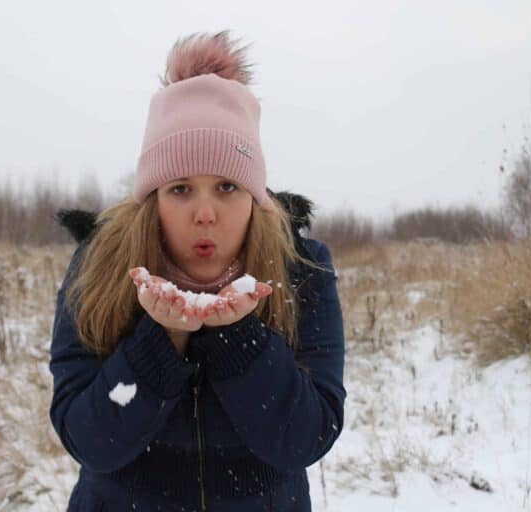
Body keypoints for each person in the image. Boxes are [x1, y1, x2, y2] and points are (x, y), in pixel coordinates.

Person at [49, 30, 346, 512]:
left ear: (254, 195)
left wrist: (237, 339)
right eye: (181, 189)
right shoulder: (100, 269)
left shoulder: (301, 271)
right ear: (153, 198)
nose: (204, 213)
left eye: (227, 186)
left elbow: (307, 439)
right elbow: (88, 440)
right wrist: (160, 342)